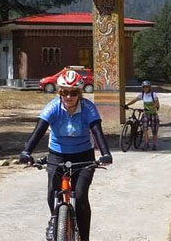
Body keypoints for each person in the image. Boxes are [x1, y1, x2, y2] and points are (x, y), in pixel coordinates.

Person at [19, 70, 112, 241]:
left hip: (83, 155)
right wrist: (27, 152)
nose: (69, 96)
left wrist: (106, 153)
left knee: (81, 195)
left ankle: (84, 238)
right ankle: (56, 223)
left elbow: (97, 131)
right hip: (57, 154)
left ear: (80, 93)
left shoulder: (88, 108)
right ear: (59, 92)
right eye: (65, 92)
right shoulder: (53, 107)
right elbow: (39, 131)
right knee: (51, 192)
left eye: (74, 92)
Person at [125, 81, 160, 150]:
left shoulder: (153, 94)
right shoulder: (142, 94)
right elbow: (135, 100)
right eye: (144, 87)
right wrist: (127, 105)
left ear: (149, 87)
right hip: (146, 114)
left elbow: (157, 104)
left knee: (154, 130)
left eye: (147, 87)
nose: (145, 88)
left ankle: (154, 144)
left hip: (153, 114)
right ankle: (146, 143)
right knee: (144, 128)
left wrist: (150, 108)